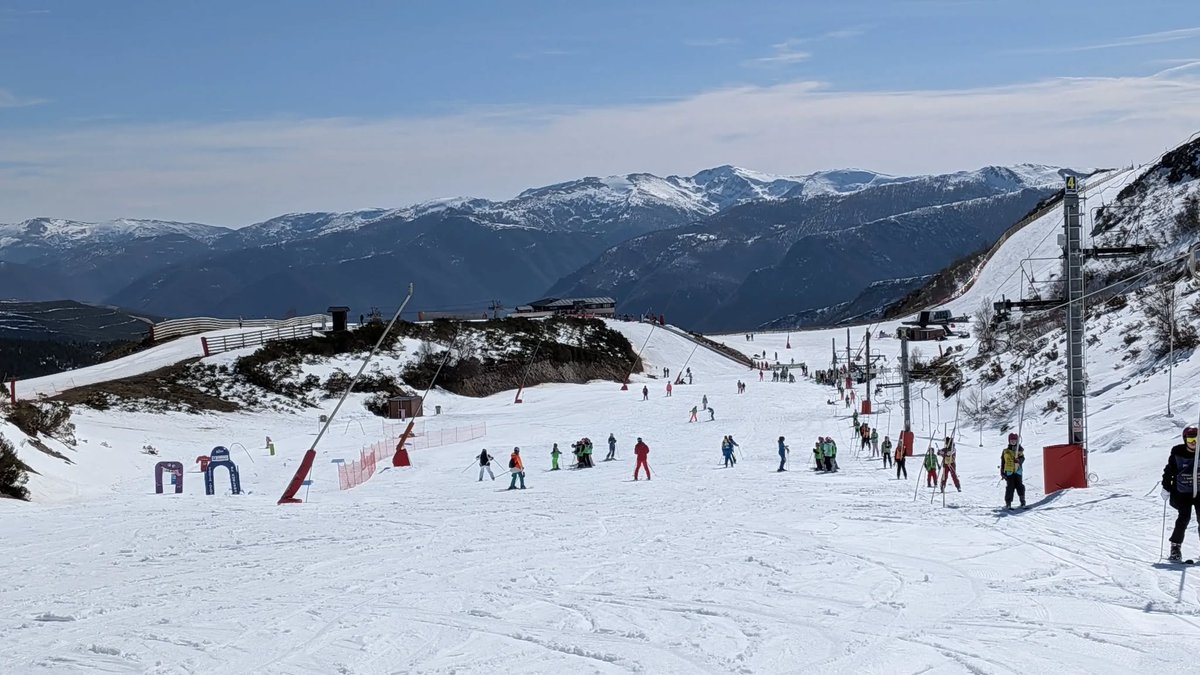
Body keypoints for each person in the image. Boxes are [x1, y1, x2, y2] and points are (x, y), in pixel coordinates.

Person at [1164, 426, 1200, 562]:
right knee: (1183, 518)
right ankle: (1175, 548)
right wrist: (1166, 487)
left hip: (1199, 492)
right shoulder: (1178, 454)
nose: (1193, 442)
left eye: (1196, 439)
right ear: (1185, 440)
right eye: (1190, 439)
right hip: (1183, 492)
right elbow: (1169, 471)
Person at [1001, 432, 1027, 510]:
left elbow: (1022, 458)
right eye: (1011, 440)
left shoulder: (1019, 450)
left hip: (1018, 471)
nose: (1013, 441)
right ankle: (1008, 503)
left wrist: (1018, 460)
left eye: (1015, 440)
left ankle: (1022, 501)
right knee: (1010, 487)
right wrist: (1002, 472)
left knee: (1020, 486)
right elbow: (1003, 461)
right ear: (1009, 441)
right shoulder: (1005, 451)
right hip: (1009, 472)